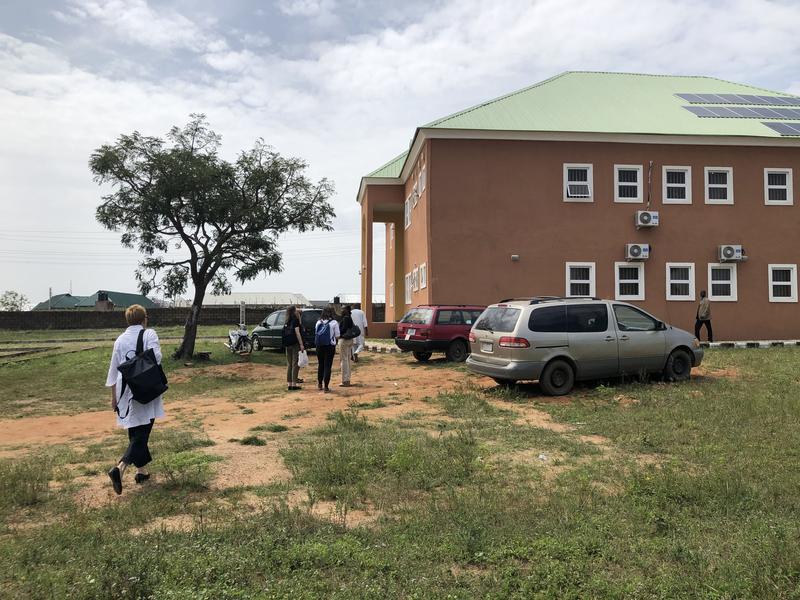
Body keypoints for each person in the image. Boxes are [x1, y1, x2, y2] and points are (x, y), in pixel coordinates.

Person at [105, 304, 165, 495]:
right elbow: (157, 357)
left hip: (125, 391)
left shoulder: (120, 340)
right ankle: (120, 467)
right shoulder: (149, 334)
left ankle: (141, 472)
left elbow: (113, 371)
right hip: (145, 387)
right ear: (143, 319)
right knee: (143, 432)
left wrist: (113, 397)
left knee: (135, 430)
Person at [315, 305, 340, 393]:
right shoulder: (334, 323)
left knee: (320, 365)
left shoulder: (318, 322)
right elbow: (337, 336)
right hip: (329, 346)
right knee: (327, 366)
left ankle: (319, 384)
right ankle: (326, 387)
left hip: (319, 346)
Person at [282, 305, 305, 391]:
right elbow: (298, 333)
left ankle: (289, 384)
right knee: (295, 364)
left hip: (287, 344)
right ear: (293, 311)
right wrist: (301, 344)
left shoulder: (287, 320)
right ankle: (294, 384)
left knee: (289, 364)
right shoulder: (295, 320)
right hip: (295, 344)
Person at [338, 305, 356, 386]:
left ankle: (344, 381)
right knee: (348, 360)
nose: (341, 310)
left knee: (344, 360)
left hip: (344, 340)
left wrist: (337, 332)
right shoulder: (349, 317)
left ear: (346, 310)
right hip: (350, 340)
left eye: (343, 309)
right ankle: (347, 379)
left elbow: (343, 329)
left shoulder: (345, 318)